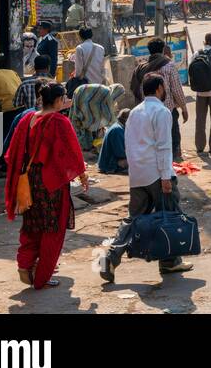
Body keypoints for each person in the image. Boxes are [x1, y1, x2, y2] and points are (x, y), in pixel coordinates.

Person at [98, 73, 192, 282]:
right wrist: (166, 176)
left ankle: (111, 258)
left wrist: (135, 171)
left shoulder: (135, 112)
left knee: (133, 218)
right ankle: (170, 262)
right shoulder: (162, 111)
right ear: (159, 88)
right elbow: (164, 146)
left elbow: (129, 145)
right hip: (157, 174)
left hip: (138, 174)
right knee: (170, 214)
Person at [4, 82, 88, 289]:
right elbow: (72, 154)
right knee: (52, 226)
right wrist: (82, 175)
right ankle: (42, 276)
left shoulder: (27, 119)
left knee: (32, 222)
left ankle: (25, 265)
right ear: (58, 100)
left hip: (29, 178)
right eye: (64, 97)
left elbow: (12, 152)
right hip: (51, 182)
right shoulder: (60, 121)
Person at [70, 82, 119, 152]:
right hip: (84, 98)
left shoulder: (105, 92)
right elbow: (109, 116)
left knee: (85, 120)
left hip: (80, 95)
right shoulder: (107, 93)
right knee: (88, 121)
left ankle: (85, 146)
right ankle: (85, 146)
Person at [68, 27, 105, 96]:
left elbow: (78, 69)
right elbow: (102, 66)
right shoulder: (101, 48)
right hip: (99, 81)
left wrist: (75, 78)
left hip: (86, 83)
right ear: (91, 35)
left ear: (80, 37)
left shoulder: (80, 48)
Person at [98, 109, 131, 175]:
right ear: (126, 120)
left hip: (111, 160)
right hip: (109, 164)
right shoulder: (117, 130)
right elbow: (120, 153)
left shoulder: (119, 127)